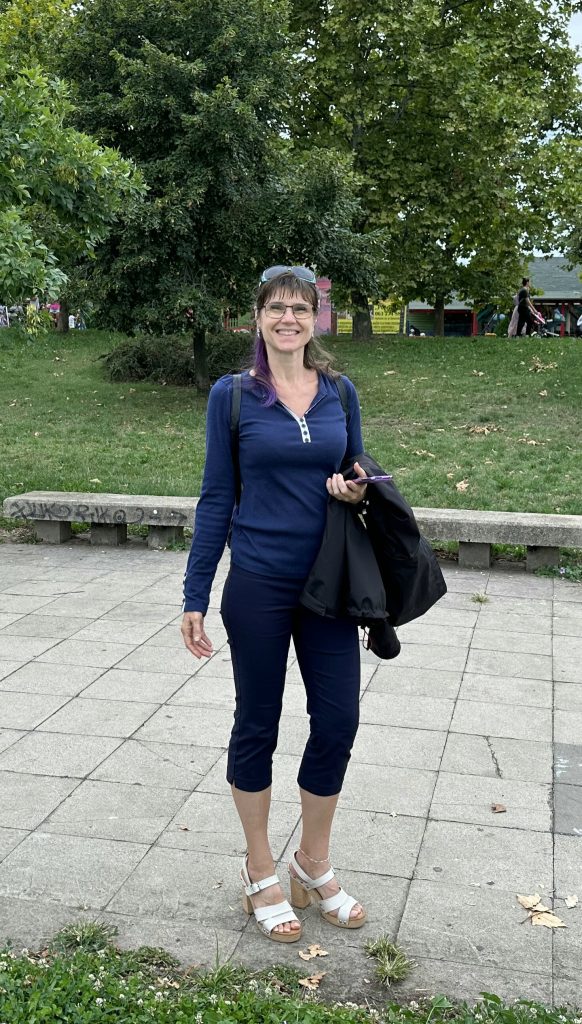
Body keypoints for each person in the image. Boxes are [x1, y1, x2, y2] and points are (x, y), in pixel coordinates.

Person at [181, 265, 368, 943]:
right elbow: (216, 498)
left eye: (300, 308)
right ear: (257, 317)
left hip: (329, 585)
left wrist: (358, 486)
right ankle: (259, 868)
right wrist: (195, 593)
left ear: (316, 318)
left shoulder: (339, 391)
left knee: (338, 719)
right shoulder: (233, 396)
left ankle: (312, 864)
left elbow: (360, 467)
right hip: (258, 583)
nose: (289, 318)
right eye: (276, 308)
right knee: (257, 721)